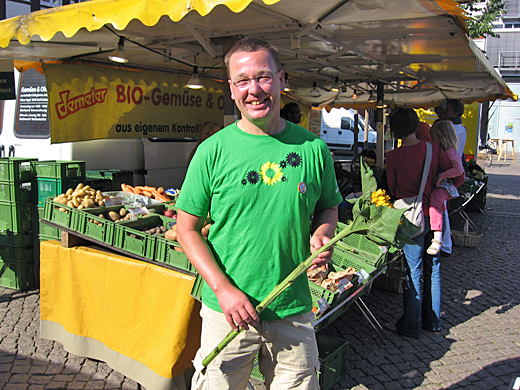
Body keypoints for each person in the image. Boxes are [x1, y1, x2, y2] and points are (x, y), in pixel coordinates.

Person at [175, 37, 342, 390]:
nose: (255, 89)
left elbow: (328, 205)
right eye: (243, 80)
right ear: (231, 89)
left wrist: (323, 232)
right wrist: (223, 289)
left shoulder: (313, 149)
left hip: (293, 308)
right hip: (228, 311)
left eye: (264, 77)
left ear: (282, 80)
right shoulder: (212, 152)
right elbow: (186, 229)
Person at [386, 107, 451, 338]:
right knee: (433, 270)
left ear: (394, 130)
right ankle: (433, 322)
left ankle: (411, 325)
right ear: (416, 124)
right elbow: (454, 171)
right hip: (433, 217)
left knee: (413, 271)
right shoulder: (433, 149)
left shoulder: (393, 156)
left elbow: (393, 190)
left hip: (409, 220)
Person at [427, 120, 466, 255]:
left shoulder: (450, 151)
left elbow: (458, 170)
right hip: (444, 183)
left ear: (442, 137)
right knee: (440, 207)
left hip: (446, 185)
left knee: (435, 201)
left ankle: (437, 238)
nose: (432, 140)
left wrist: (443, 176)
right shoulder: (446, 150)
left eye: (434, 137)